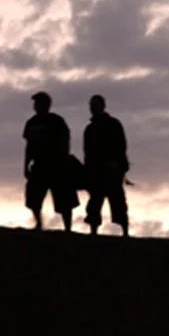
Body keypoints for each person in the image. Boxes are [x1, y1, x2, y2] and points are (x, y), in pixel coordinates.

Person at [23, 91, 78, 231]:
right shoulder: (31, 123)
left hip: (57, 165)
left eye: (39, 103)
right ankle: (39, 224)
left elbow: (65, 142)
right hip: (39, 165)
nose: (36, 106)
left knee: (64, 199)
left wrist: (63, 160)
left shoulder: (57, 121)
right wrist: (26, 165)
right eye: (35, 103)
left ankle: (68, 228)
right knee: (33, 197)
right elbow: (29, 146)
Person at [83, 95, 129, 237]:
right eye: (92, 106)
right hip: (97, 168)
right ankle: (94, 230)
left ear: (102, 106)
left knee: (116, 200)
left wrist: (120, 165)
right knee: (96, 201)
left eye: (95, 105)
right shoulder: (90, 128)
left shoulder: (113, 124)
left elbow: (122, 145)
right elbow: (87, 151)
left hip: (111, 167)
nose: (93, 108)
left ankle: (125, 232)